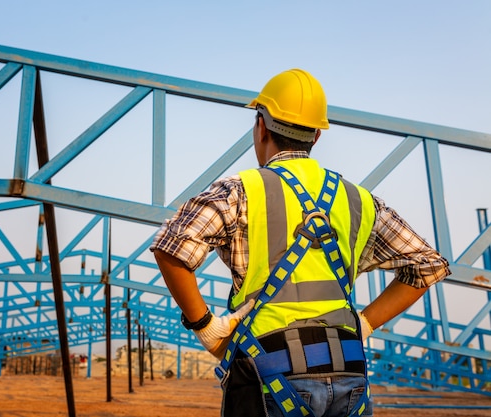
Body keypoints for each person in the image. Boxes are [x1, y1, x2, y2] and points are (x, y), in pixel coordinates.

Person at [151, 68, 451, 417]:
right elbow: (428, 264)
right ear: (316, 137)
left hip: (269, 372)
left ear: (261, 126)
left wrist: (204, 325)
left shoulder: (241, 190)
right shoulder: (358, 200)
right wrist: (365, 323)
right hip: (348, 369)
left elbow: (171, 245)